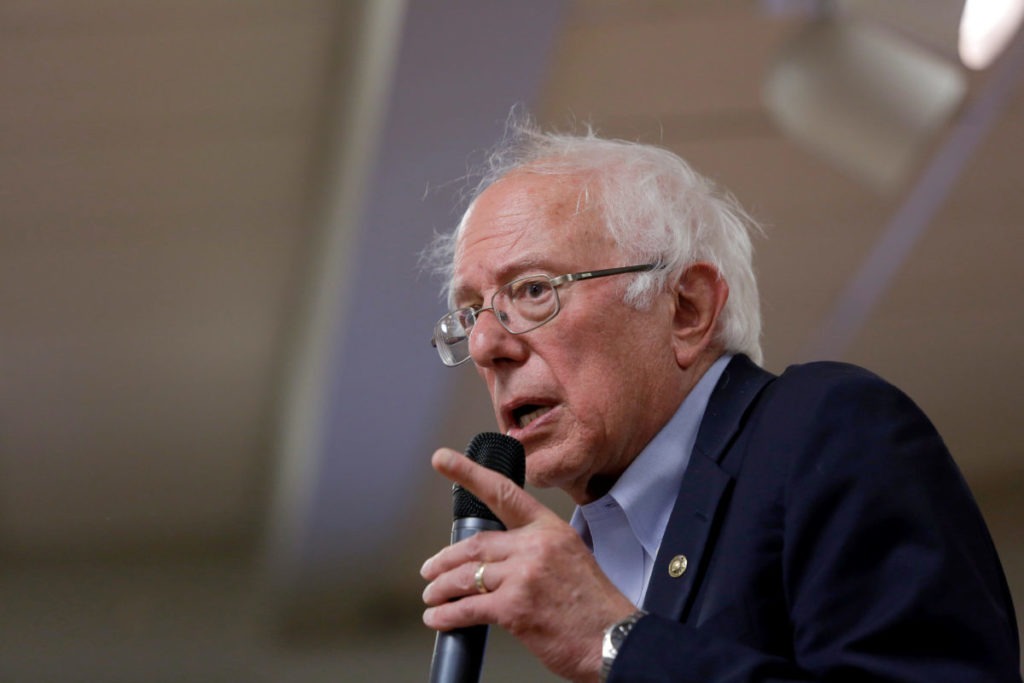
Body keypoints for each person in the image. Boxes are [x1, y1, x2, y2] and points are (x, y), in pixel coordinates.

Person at [418, 120, 1021, 682]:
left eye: (532, 291)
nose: (486, 344)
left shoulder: (828, 428)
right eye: (469, 315)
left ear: (688, 310)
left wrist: (618, 642)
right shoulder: (586, 563)